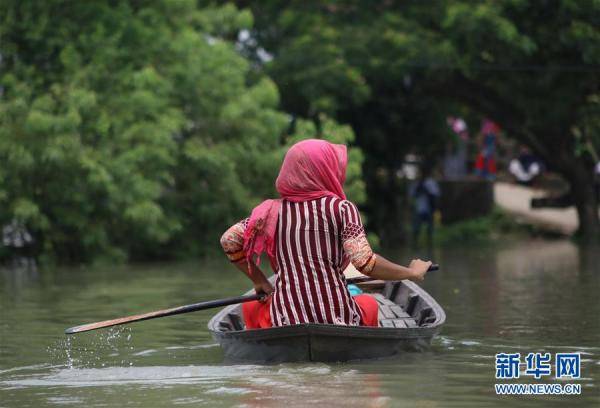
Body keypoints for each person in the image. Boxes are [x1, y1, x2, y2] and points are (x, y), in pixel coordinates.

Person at [220, 139, 432, 329]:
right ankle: (369, 374)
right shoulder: (341, 208)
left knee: (249, 309)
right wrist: (410, 272)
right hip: (338, 317)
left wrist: (258, 280)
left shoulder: (270, 212)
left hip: (286, 319)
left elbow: (229, 240)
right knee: (369, 303)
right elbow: (365, 263)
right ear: (324, 170)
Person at [409, 167, 440, 244]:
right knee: (416, 229)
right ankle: (415, 244)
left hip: (429, 209)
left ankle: (430, 244)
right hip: (419, 209)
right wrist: (419, 188)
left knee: (430, 229)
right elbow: (412, 195)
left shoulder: (431, 183)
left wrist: (426, 190)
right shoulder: (416, 183)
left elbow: (435, 195)